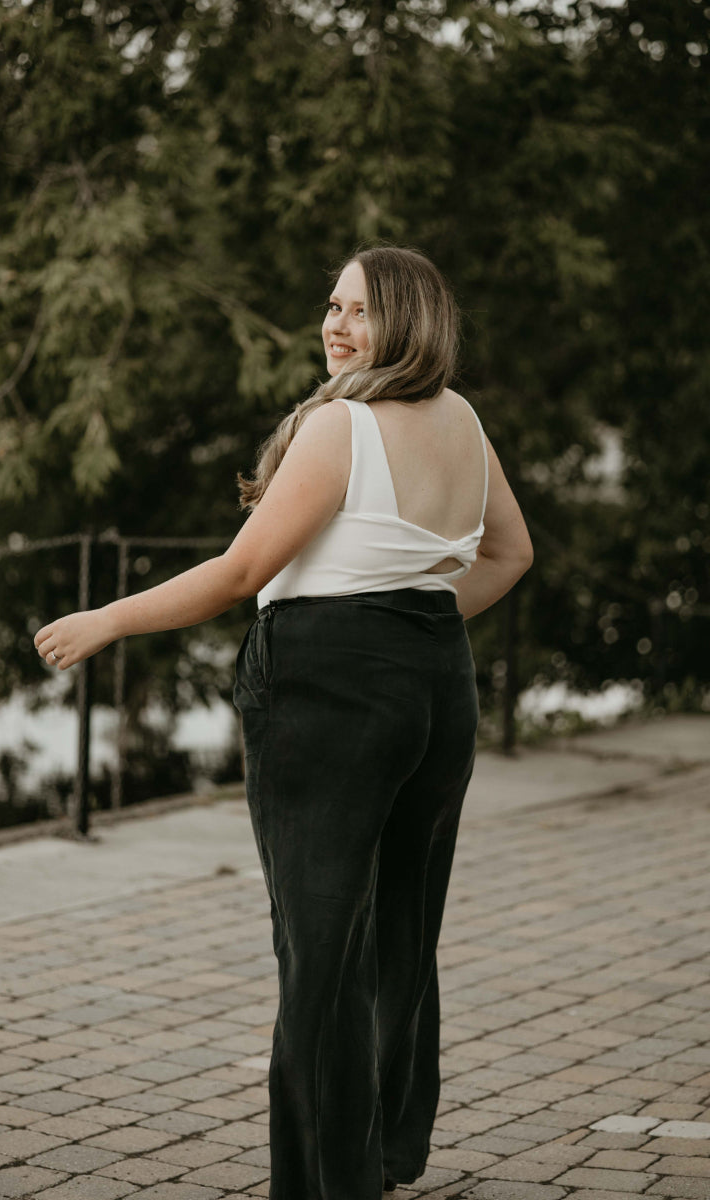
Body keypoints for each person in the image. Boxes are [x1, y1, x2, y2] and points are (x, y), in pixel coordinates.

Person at [34, 245, 533, 1200]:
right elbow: (511, 552)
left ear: (409, 321)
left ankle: (324, 1181)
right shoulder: (462, 420)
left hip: (330, 697)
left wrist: (107, 619)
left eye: (360, 310)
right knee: (402, 931)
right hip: (436, 684)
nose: (336, 325)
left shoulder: (341, 426)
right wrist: (410, 619)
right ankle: (389, 1150)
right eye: (331, 305)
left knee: (320, 946)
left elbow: (235, 575)